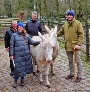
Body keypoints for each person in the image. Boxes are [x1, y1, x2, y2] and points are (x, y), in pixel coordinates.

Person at [9, 22, 40, 88]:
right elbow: (11, 46)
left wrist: (39, 42)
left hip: (26, 55)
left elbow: (32, 42)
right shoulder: (14, 35)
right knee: (17, 68)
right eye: (18, 27)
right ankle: (15, 80)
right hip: (17, 55)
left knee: (24, 68)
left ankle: (22, 80)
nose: (19, 28)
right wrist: (11, 54)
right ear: (17, 28)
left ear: (23, 28)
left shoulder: (26, 35)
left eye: (20, 27)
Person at [57, 10, 84, 82]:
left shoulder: (78, 23)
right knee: (70, 61)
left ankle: (79, 75)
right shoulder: (65, 24)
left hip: (75, 46)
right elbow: (60, 32)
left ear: (73, 16)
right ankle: (71, 73)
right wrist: (53, 34)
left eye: (70, 15)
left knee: (78, 61)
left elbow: (81, 35)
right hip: (68, 45)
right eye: (68, 15)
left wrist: (78, 44)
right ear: (66, 16)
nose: (69, 16)